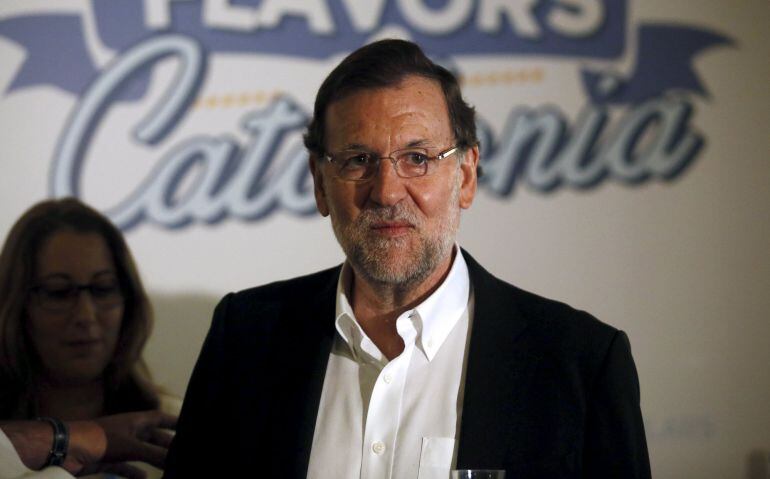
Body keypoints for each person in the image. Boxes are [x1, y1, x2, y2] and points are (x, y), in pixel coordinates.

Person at [164, 39, 651, 478]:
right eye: (357, 160)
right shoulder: (244, 339)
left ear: (465, 176)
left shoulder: (581, 364)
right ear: (319, 183)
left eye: (417, 158)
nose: (387, 190)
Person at [0, 198, 178, 478]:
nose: (86, 314)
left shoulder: (176, 426)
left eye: (103, 288)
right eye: (58, 292)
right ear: (16, 305)